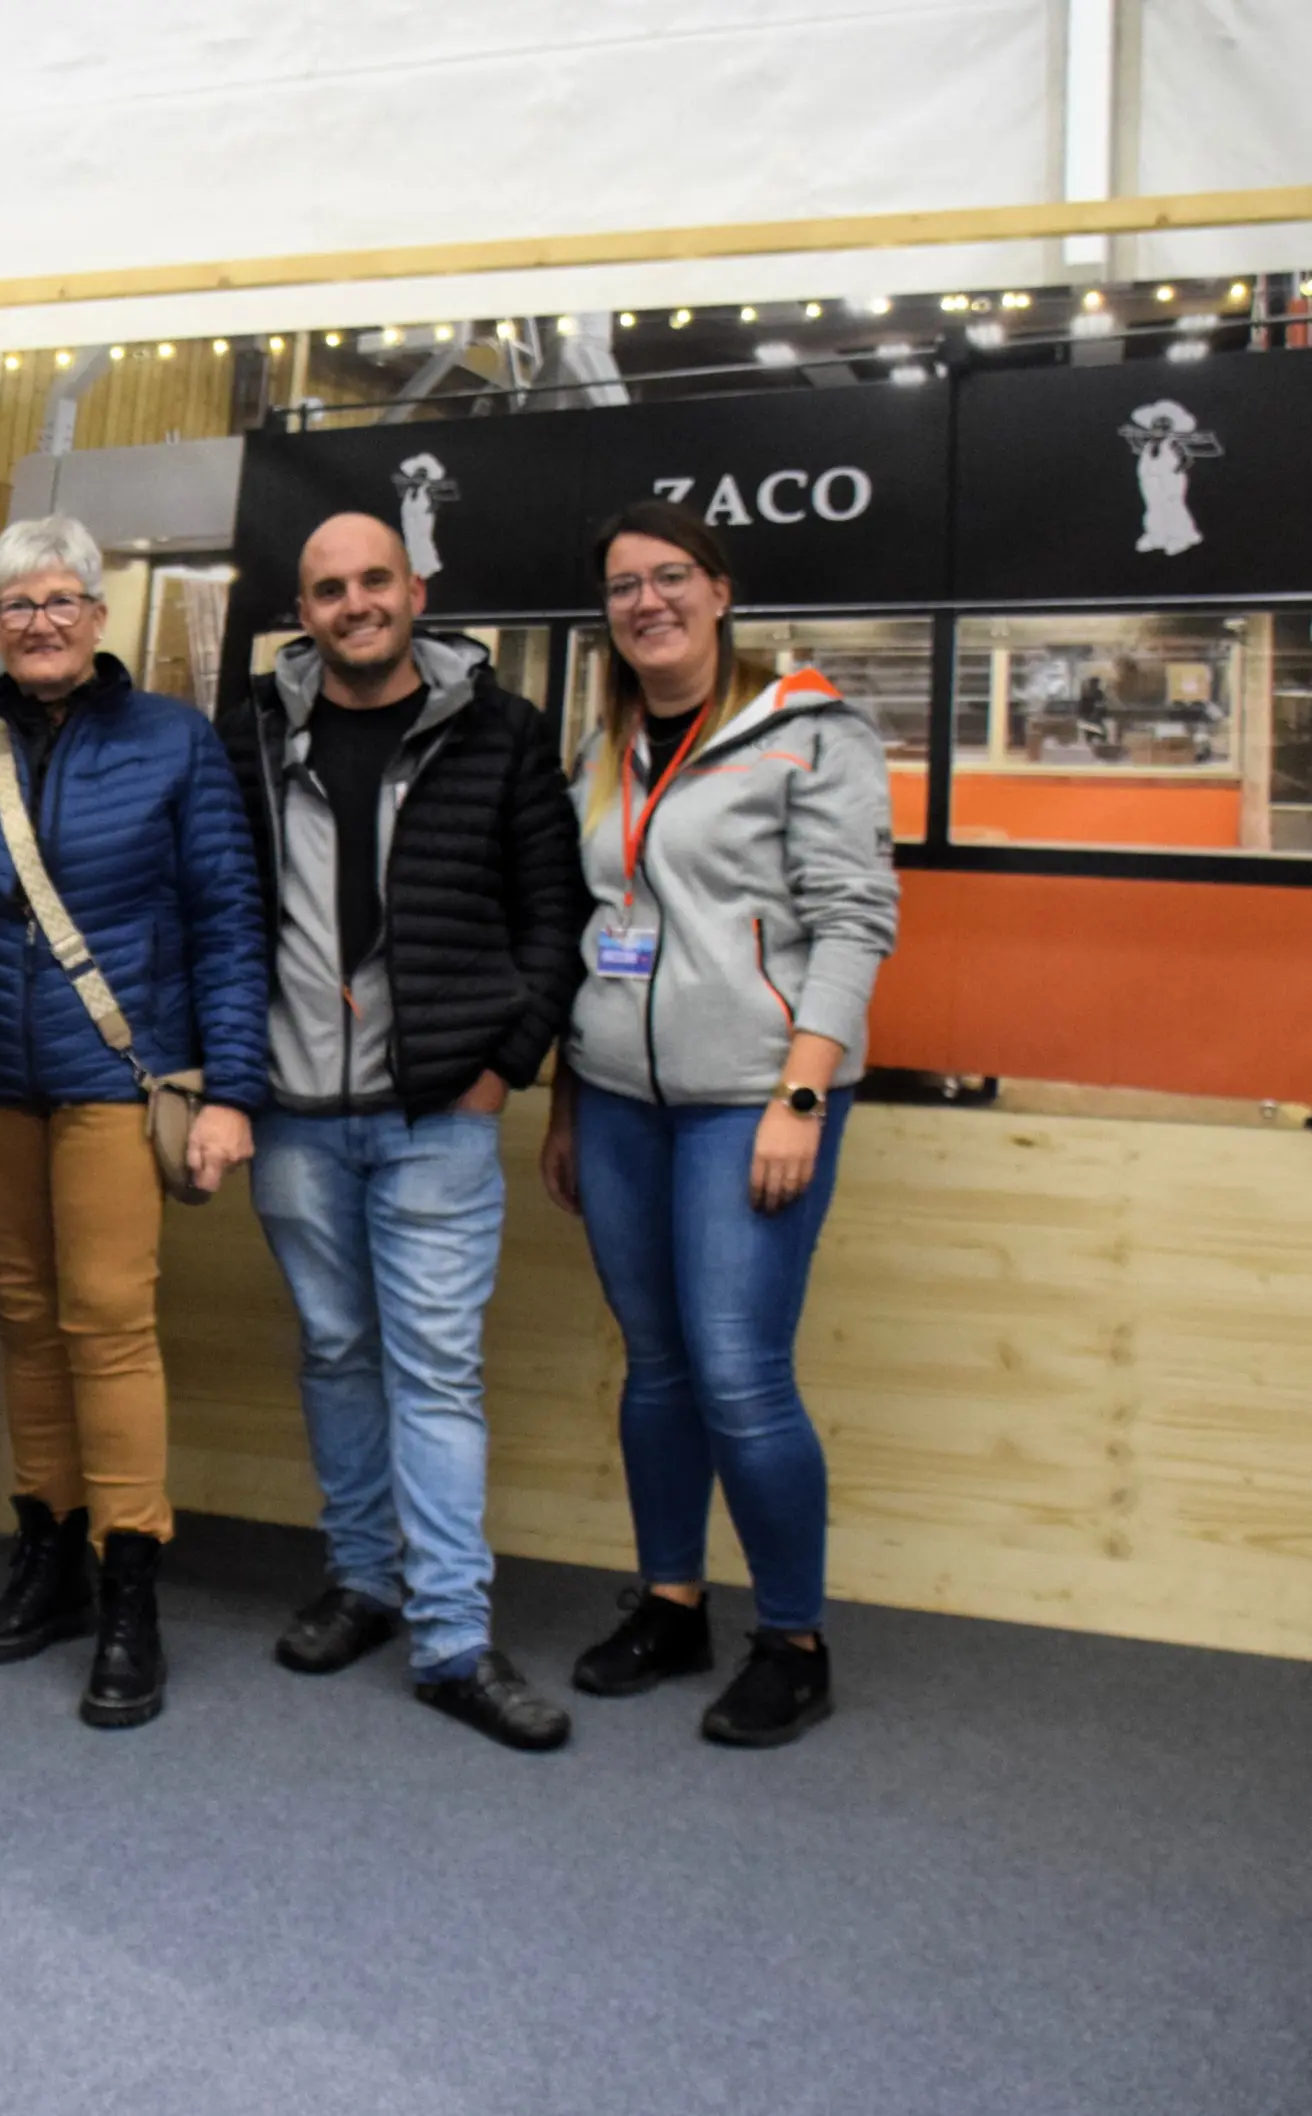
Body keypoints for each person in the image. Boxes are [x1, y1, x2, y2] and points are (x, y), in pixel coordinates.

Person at [0, 514, 268, 1729]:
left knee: (107, 1324)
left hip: (116, 1080)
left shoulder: (174, 741)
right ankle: (46, 1558)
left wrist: (233, 1090)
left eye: (60, 601)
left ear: (100, 615)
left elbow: (228, 921)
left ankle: (128, 1587)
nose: (40, 623)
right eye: (16, 606)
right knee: (26, 1325)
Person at [216, 513, 586, 1752]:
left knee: (433, 1369)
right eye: (329, 589)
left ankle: (454, 1640)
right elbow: (223, 907)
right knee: (334, 1351)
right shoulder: (253, 731)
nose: (355, 603)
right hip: (296, 1117)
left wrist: (500, 1066)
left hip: (438, 1114)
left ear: (416, 590)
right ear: (302, 611)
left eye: (375, 580)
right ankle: (363, 1580)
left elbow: (555, 915)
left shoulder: (501, 729)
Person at [538, 498, 899, 1748]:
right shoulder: (604, 747)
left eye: (671, 576)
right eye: (624, 585)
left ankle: (793, 1640)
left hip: (754, 1098)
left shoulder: (811, 732)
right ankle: (672, 1602)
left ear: (721, 590)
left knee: (741, 1373)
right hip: (619, 1104)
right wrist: (569, 1096)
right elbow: (597, 931)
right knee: (657, 1366)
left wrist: (803, 1093)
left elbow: (855, 922)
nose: (648, 601)